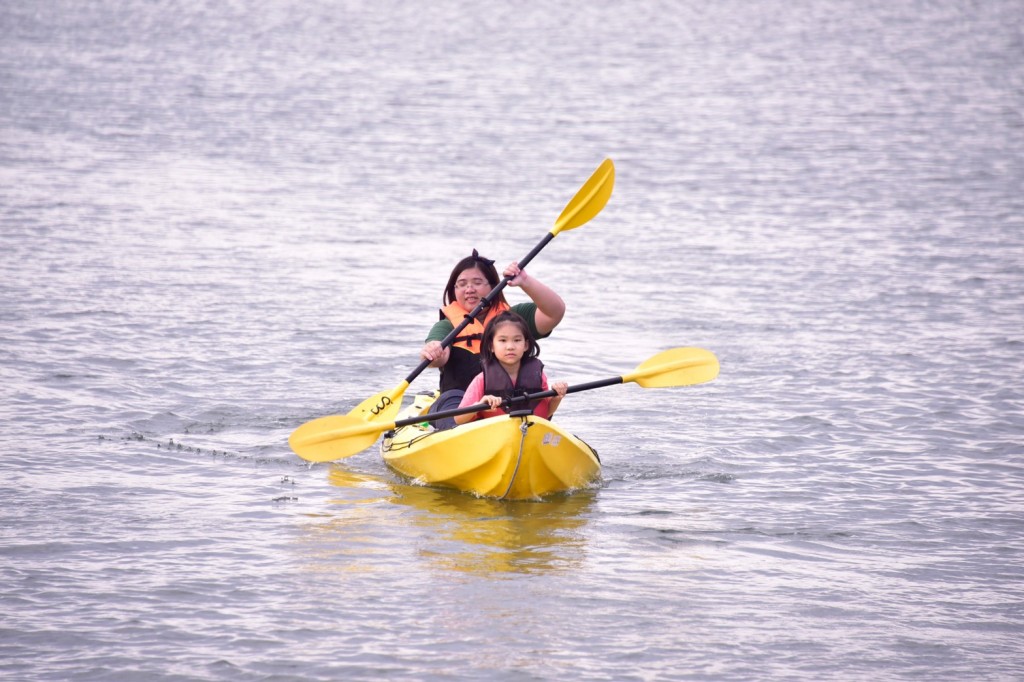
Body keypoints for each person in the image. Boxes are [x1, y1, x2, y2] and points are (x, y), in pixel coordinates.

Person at [420, 249, 565, 428]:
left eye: (477, 282)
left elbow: (555, 313)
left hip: (507, 400)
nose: (469, 289)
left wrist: (525, 282)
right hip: (457, 401)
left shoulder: (514, 320)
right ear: (454, 289)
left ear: (493, 286)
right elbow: (438, 357)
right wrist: (433, 350)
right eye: (462, 284)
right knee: (452, 416)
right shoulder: (447, 326)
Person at [453, 310, 568, 425]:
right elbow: (458, 419)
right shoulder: (482, 380)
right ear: (491, 346)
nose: (510, 347)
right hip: (495, 436)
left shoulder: (538, 375)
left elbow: (545, 412)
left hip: (529, 431)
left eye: (517, 340)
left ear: (526, 345)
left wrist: (557, 397)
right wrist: (480, 405)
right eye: (503, 340)